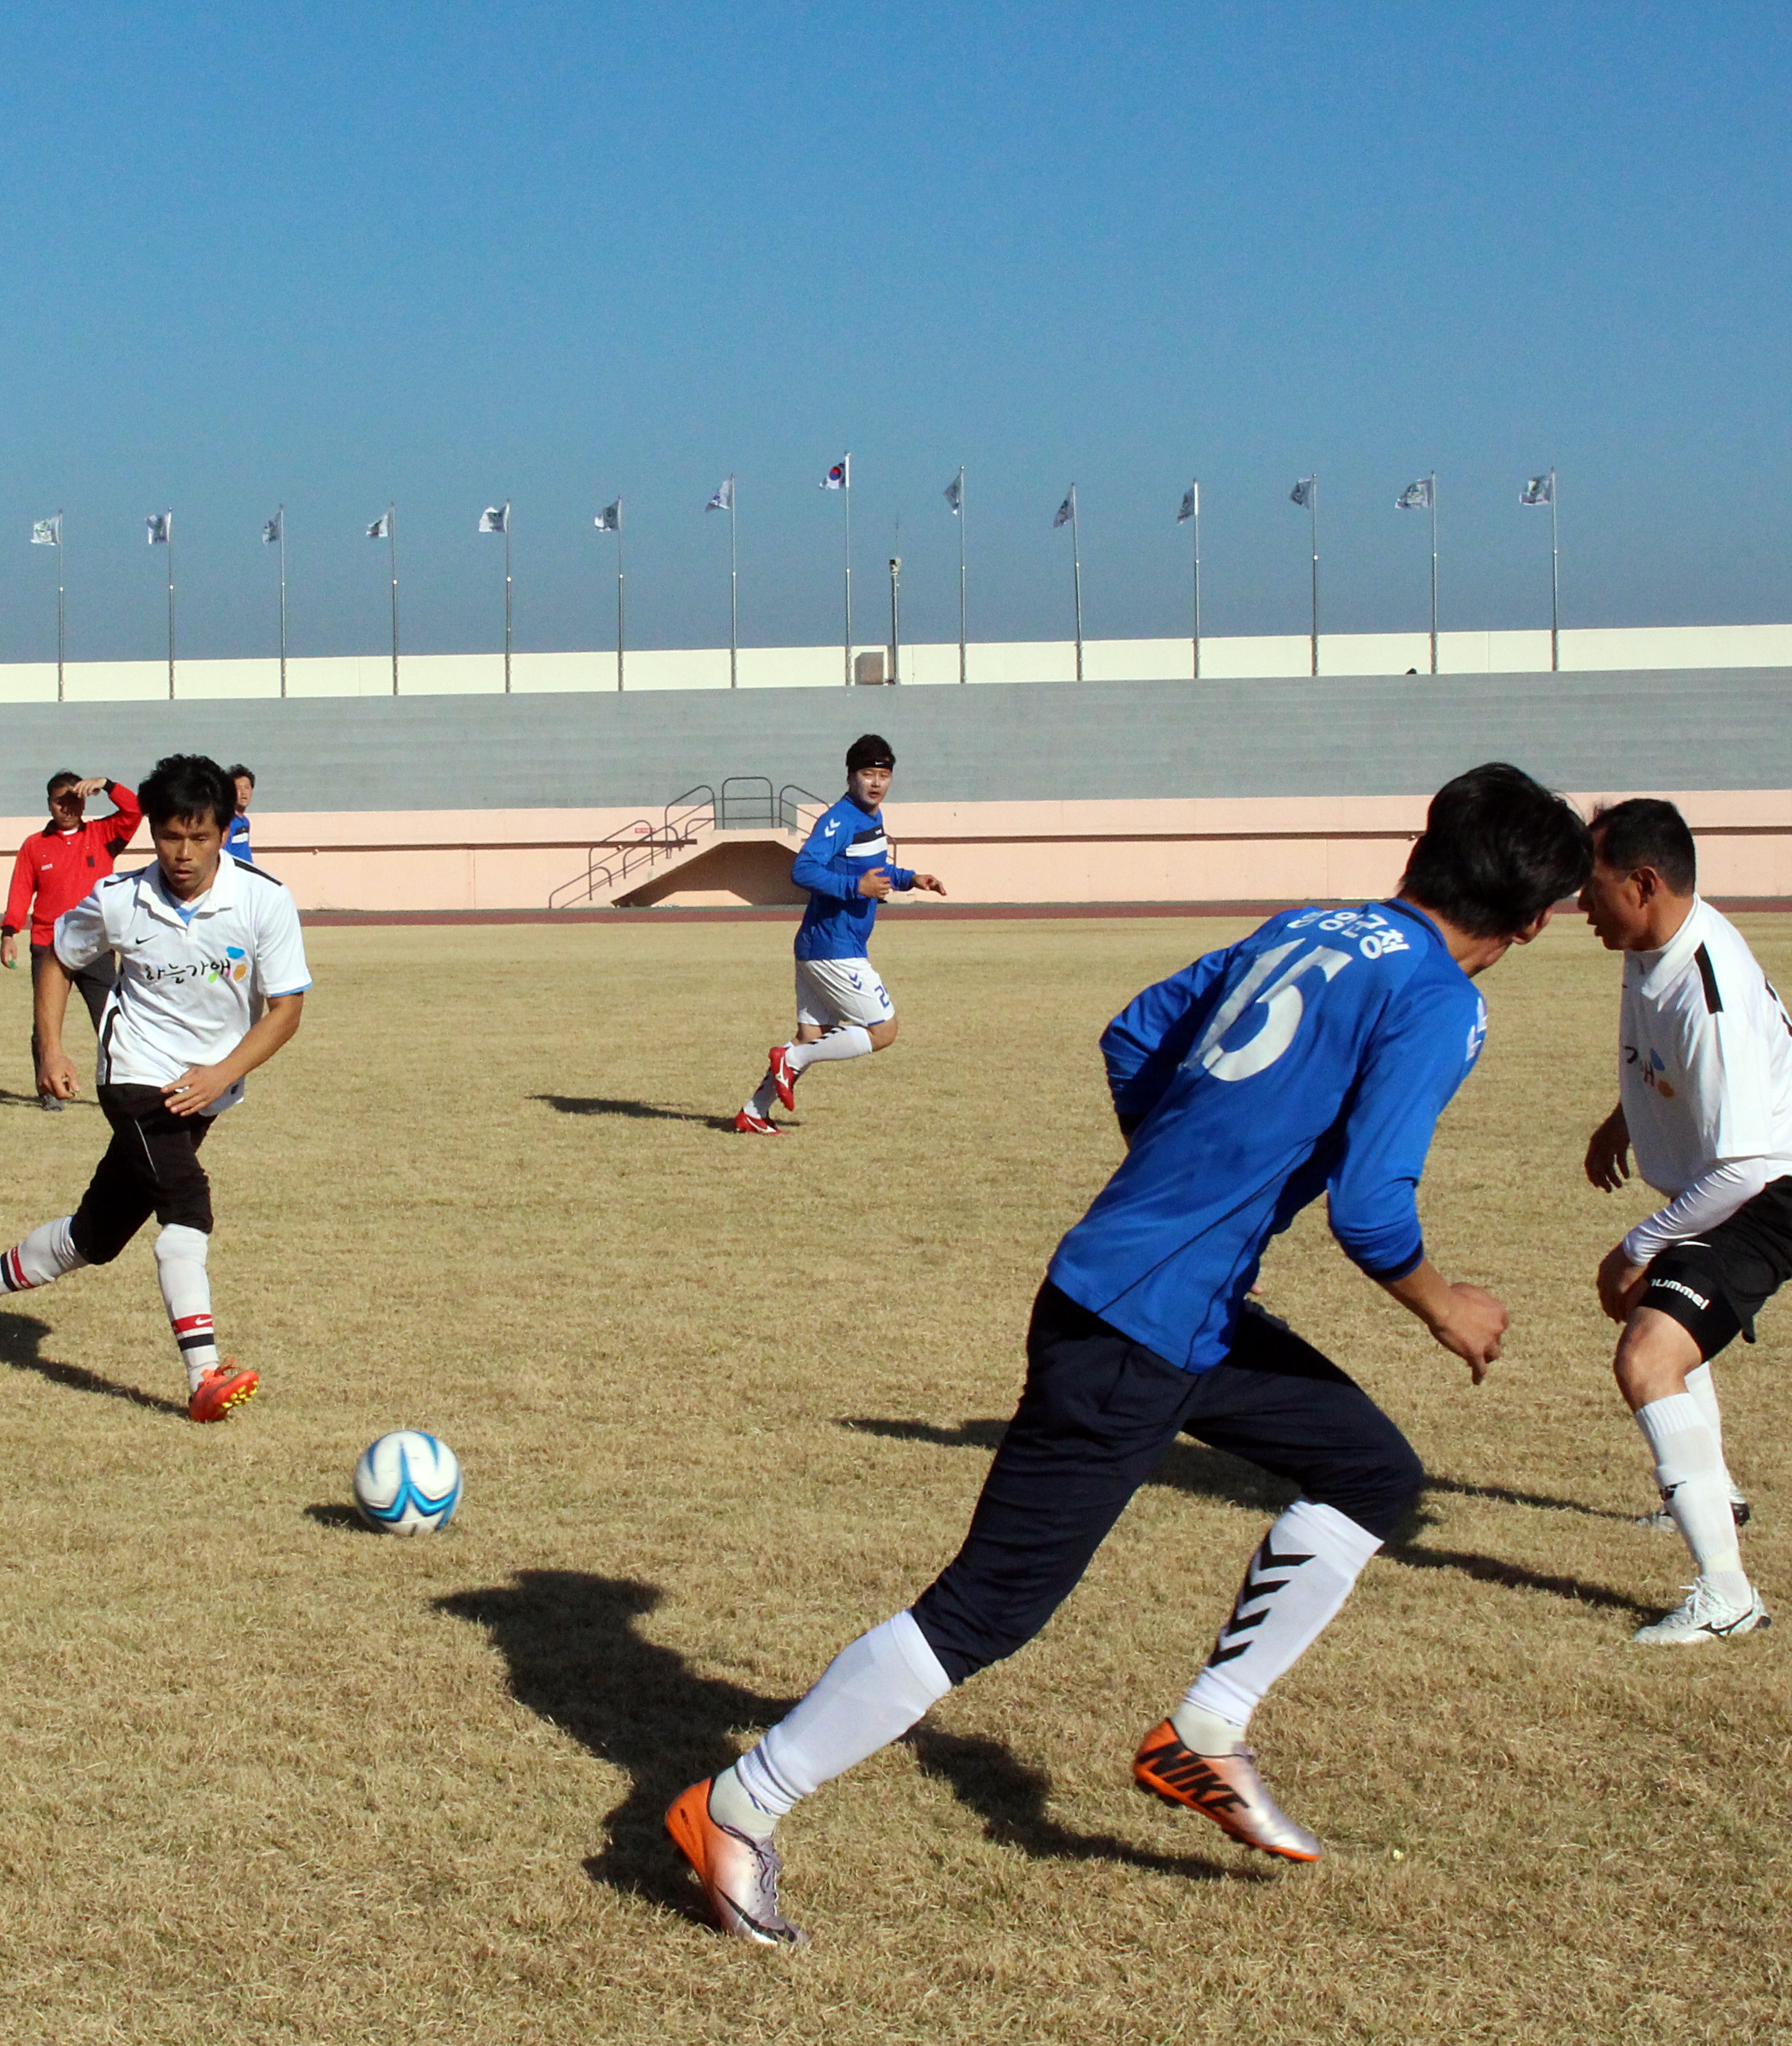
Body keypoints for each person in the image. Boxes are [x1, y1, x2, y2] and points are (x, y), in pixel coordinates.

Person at [663, 764, 1590, 1944]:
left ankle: (1203, 1730)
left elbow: (1133, 1032)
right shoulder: (1439, 998)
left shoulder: (1310, 924)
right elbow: (1370, 1209)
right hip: (1134, 1330)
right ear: (1527, 920)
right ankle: (738, 1805)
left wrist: (1179, 1182)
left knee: (1371, 1474)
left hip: (1174, 1309)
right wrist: (1441, 1302)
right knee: (985, 1609)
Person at [0, 754, 308, 1423]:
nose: (184, 852)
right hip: (136, 1077)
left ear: (225, 830)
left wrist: (221, 1075)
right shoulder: (119, 899)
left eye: (199, 836)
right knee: (187, 1205)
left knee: (96, 1237)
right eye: (171, 835)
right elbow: (57, 954)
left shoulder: (264, 900)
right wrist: (51, 1045)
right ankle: (204, 1377)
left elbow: (286, 1007)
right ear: (153, 833)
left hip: (205, 1090)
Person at [1574, 799, 1792, 1644]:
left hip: (1764, 1202)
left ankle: (1728, 1597)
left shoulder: (1706, 987)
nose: (1581, 905)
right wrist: (1625, 1118)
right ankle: (1718, 1496)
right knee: (1656, 1322)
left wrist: (1641, 1242)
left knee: (1646, 1356)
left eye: (1592, 886)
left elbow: (1750, 1162)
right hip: (1724, 1191)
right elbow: (1672, 1066)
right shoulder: (1653, 944)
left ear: (1644, 885)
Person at [732, 733, 944, 1135]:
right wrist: (855, 890)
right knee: (884, 1031)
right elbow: (803, 870)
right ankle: (788, 1063)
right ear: (850, 777)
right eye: (868, 774)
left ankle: (754, 1112)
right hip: (834, 948)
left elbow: (870, 871)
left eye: (884, 775)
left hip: (819, 945)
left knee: (812, 1037)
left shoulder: (871, 817)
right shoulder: (840, 819)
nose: (877, 783)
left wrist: (909, 878)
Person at [1, 770, 144, 1109]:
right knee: (46, 1024)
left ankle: (124, 1087)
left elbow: (135, 812)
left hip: (96, 946)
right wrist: (9, 932)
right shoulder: (34, 846)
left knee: (111, 1018)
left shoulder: (104, 834)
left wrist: (108, 785)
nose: (66, 807)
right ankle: (50, 1091)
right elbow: (21, 890)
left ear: (84, 800)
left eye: (73, 799)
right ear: (49, 804)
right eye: (58, 801)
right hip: (48, 946)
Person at [224, 765, 256, 864]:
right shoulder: (228, 822)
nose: (243, 793)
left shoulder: (245, 822)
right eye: (238, 788)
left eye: (247, 788)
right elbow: (225, 855)